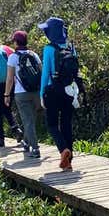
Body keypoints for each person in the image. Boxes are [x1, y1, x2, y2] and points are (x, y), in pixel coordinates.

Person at [38, 16, 79, 170]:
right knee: (67, 124)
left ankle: (63, 150)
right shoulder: (70, 47)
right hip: (69, 90)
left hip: (52, 91)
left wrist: (42, 94)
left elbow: (45, 73)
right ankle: (69, 160)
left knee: (52, 125)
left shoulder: (48, 49)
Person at [5, 30, 43, 157]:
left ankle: (35, 149)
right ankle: (26, 143)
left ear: (16, 42)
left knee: (28, 121)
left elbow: (10, 79)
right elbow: (41, 73)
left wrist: (6, 95)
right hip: (36, 92)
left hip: (21, 93)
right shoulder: (34, 54)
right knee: (31, 120)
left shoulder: (13, 57)